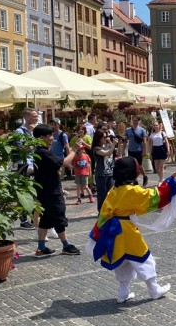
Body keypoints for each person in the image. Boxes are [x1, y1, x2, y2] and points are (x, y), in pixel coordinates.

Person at [86, 157, 176, 303]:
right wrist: (170, 181)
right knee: (143, 258)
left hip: (113, 232)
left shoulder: (114, 190)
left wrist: (97, 232)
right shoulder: (133, 190)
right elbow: (154, 197)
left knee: (123, 262)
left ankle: (123, 293)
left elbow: (104, 213)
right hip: (127, 231)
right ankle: (154, 290)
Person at [31, 124, 81, 258]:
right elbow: (64, 162)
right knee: (59, 218)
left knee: (46, 219)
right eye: (50, 135)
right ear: (42, 137)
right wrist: (74, 149)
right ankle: (66, 245)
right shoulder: (43, 153)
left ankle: (41, 248)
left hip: (45, 191)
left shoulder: (40, 151)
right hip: (51, 192)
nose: (52, 138)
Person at [15, 107, 39, 230]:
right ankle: (23, 220)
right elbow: (22, 149)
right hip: (24, 164)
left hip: (34, 163)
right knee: (23, 192)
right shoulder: (20, 131)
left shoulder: (34, 130)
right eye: (35, 116)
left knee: (35, 192)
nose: (37, 118)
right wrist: (35, 141)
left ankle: (34, 217)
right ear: (28, 117)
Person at [90, 129, 115, 212]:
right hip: (101, 174)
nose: (106, 138)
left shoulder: (107, 146)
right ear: (99, 138)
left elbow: (117, 152)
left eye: (106, 137)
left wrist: (114, 143)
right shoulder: (96, 148)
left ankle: (110, 210)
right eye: (104, 137)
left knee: (111, 194)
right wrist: (113, 145)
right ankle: (101, 212)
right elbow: (107, 153)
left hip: (110, 173)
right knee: (102, 195)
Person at [125, 117, 148, 186]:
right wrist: (122, 148)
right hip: (131, 150)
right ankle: (135, 180)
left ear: (139, 122)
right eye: (134, 120)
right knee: (132, 166)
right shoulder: (128, 130)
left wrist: (145, 151)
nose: (135, 122)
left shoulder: (142, 130)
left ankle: (145, 176)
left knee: (139, 166)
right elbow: (126, 139)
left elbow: (144, 141)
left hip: (139, 150)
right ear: (132, 121)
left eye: (137, 121)